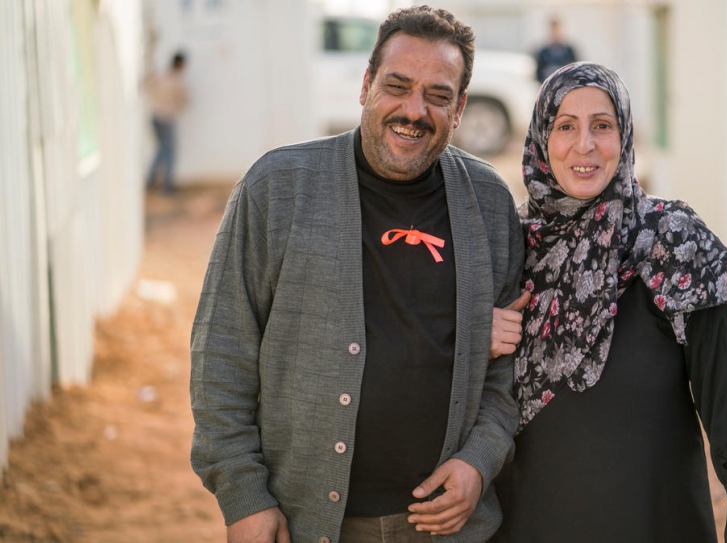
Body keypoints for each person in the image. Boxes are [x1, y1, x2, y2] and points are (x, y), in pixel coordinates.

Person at [189, 6, 525, 543]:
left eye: (438, 95)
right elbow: (223, 350)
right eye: (397, 85)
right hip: (309, 523)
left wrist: (479, 462)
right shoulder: (278, 187)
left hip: (450, 528)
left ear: (460, 108)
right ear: (366, 84)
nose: (414, 110)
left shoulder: (487, 203)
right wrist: (243, 496)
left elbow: (509, 372)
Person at [490, 62, 727, 542]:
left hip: (655, 522)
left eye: (602, 125)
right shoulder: (508, 249)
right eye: (565, 126)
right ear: (540, 139)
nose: (585, 145)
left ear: (625, 136)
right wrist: (477, 339)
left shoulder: (674, 243)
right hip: (531, 524)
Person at [146, 51, 189, 194]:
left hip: (154, 116)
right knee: (168, 151)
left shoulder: (160, 76)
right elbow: (184, 101)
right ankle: (167, 185)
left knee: (161, 149)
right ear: (181, 65)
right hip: (167, 118)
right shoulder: (177, 82)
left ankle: (151, 178)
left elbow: (146, 82)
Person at [533, 18, 577, 83]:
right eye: (553, 30)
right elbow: (538, 74)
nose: (555, 33)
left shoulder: (569, 51)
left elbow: (576, 69)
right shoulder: (543, 52)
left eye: (557, 30)